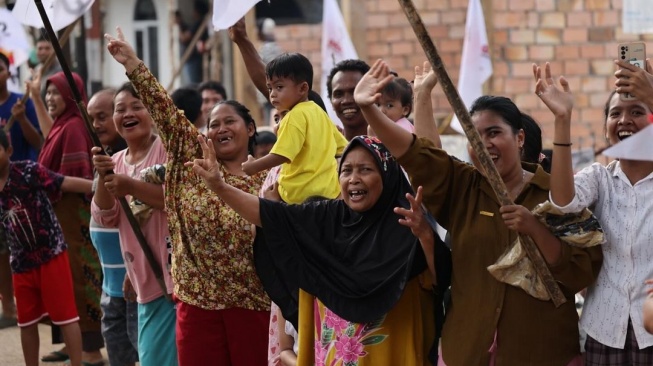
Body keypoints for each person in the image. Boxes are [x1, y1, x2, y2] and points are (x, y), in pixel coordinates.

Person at [356, 59, 603, 365]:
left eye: (494, 133)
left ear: (520, 138)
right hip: (467, 350)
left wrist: (535, 229)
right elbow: (419, 155)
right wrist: (370, 110)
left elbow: (581, 272)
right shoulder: (463, 186)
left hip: (543, 352)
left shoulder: (557, 194)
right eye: (475, 135)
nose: (484, 145)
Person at [189, 133, 439, 365]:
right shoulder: (327, 219)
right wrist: (219, 187)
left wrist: (426, 235)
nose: (354, 179)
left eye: (366, 169)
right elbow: (268, 215)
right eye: (347, 171)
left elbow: (440, 279)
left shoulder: (407, 223)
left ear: (387, 175)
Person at [106, 27, 270, 365]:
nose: (220, 128)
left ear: (251, 128)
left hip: (254, 304)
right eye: (213, 123)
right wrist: (133, 64)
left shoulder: (269, 179)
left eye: (230, 122)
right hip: (197, 305)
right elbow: (165, 112)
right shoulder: (188, 161)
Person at [546, 58, 653, 364]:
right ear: (606, 129)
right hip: (604, 330)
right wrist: (562, 119)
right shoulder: (599, 178)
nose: (624, 120)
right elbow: (563, 202)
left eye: (637, 112)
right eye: (615, 113)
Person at [92, 82, 176, 365]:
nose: (128, 113)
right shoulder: (114, 160)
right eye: (120, 109)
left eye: (136, 106)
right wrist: (105, 174)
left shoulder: (167, 150)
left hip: (175, 278)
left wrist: (129, 185)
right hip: (141, 280)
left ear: (152, 112)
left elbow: (176, 201)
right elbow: (106, 216)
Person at [27, 71, 105, 365]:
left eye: (55, 93)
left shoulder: (73, 126)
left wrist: (38, 179)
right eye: (48, 93)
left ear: (71, 95)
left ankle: (91, 350)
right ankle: (68, 343)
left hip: (74, 215)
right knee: (63, 280)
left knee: (80, 279)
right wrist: (35, 96)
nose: (50, 98)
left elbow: (74, 179)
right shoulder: (63, 124)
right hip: (59, 216)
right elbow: (49, 136)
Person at [0, 129, 92, 366]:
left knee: (66, 317)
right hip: (21, 262)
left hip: (51, 254)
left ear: (8, 151)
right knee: (26, 321)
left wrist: (99, 187)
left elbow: (64, 182)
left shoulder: (28, 171)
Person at [241, 52, 348, 204]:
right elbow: (343, 148)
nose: (272, 94)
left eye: (279, 87)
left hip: (298, 195)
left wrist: (254, 166)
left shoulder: (294, 116)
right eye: (270, 88)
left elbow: (283, 155)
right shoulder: (319, 113)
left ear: (303, 88)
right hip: (330, 193)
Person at [87, 88, 138, 366]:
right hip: (111, 286)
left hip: (136, 283)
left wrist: (133, 267)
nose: (96, 125)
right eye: (92, 118)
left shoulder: (133, 160)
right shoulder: (106, 157)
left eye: (103, 116)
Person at [0, 51, 43, 329]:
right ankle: (9, 308)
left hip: (21, 185)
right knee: (2, 252)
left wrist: (22, 119)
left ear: (8, 71)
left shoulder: (21, 102)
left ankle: (42, 305)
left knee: (31, 245)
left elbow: (39, 142)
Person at [177, 0, 209, 85]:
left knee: (194, 85)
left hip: (193, 59)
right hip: (195, 59)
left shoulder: (199, 23)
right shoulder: (201, 23)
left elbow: (184, 38)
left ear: (197, 11)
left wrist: (178, 25)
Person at [34, 34, 62, 102]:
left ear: (54, 50)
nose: (43, 52)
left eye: (47, 48)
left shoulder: (60, 73)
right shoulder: (36, 71)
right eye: (40, 48)